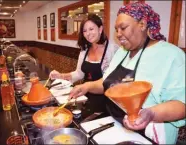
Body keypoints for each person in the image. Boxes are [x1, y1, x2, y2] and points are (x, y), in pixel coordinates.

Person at [69, 2, 185, 144]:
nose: (118, 35)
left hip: (150, 133)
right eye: (116, 29)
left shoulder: (171, 55)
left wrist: (151, 113)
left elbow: (181, 105)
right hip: (117, 126)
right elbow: (107, 82)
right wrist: (86, 86)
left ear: (142, 24)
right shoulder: (122, 52)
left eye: (123, 28)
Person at [49, 14, 119, 114]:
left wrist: (87, 86)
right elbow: (79, 73)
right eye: (85, 31)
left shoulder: (113, 49)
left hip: (106, 102)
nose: (88, 33)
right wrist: (61, 76)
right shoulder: (85, 50)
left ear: (100, 29)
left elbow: (112, 81)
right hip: (85, 98)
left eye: (91, 29)